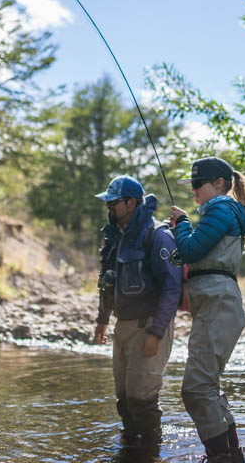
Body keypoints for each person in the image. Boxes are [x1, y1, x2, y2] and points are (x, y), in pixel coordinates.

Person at [169, 157, 245, 463]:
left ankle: (222, 458)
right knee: (207, 386)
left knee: (195, 390)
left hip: (219, 305)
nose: (193, 191)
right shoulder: (223, 210)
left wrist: (181, 224)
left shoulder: (220, 207)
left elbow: (191, 249)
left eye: (197, 184)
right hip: (219, 305)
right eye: (191, 185)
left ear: (219, 183)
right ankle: (231, 457)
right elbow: (195, 252)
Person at [94, 174, 182, 448]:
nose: (108, 206)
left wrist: (156, 333)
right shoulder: (113, 237)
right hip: (122, 327)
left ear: (131, 203)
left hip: (151, 324)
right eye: (107, 201)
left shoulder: (158, 235)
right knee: (123, 398)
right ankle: (132, 448)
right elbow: (106, 281)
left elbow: (172, 287)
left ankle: (152, 450)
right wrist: (102, 320)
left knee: (141, 399)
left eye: (114, 201)